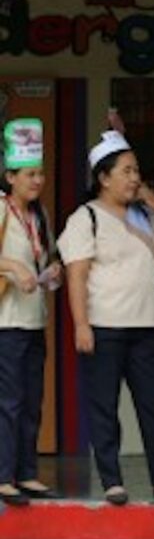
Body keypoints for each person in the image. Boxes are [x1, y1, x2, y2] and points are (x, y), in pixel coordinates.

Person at [57, 112, 154, 505]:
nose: (135, 178)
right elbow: (76, 276)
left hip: (145, 325)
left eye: (137, 171)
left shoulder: (142, 215)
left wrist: (152, 201)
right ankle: (112, 481)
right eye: (127, 171)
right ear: (103, 178)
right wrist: (80, 325)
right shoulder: (84, 218)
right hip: (103, 326)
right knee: (104, 407)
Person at [0, 118, 61, 505]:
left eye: (40, 173)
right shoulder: (1, 210)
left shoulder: (40, 217)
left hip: (34, 320)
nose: (37, 180)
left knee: (32, 398)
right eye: (29, 174)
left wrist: (50, 273)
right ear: (10, 175)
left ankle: (27, 472)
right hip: (6, 324)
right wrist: (11, 266)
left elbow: (46, 261)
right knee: (9, 401)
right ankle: (3, 475)